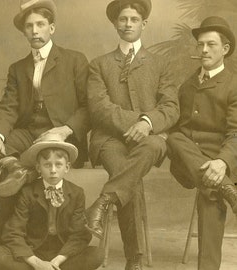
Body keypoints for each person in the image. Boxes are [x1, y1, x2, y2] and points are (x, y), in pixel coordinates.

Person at [0, 1, 89, 269]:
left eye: (40, 24)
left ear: (52, 27)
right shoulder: (17, 68)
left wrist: (66, 128)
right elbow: (8, 108)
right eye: (29, 26)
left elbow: (87, 106)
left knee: (16, 172)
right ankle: (14, 166)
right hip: (28, 133)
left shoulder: (74, 60)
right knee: (4, 148)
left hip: (61, 135)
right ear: (24, 32)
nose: (35, 30)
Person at [85, 0, 179, 269]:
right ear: (115, 23)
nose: (128, 24)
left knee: (151, 150)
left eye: (134, 19)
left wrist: (149, 123)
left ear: (144, 24)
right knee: (130, 180)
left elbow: (171, 107)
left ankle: (104, 200)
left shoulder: (160, 64)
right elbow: (100, 109)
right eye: (123, 19)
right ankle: (134, 261)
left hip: (149, 140)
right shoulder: (99, 64)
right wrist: (139, 121)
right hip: (109, 140)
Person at [167, 16, 237, 270]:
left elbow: (236, 133)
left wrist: (221, 162)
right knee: (173, 137)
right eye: (200, 45)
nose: (204, 50)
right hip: (186, 165)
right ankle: (227, 188)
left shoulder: (234, 85)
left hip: (219, 162)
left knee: (210, 192)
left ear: (225, 49)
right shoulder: (186, 86)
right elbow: (176, 129)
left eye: (211, 44)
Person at [0, 134, 104, 270]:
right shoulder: (27, 192)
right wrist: (37, 263)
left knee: (96, 254)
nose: (53, 170)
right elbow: (13, 232)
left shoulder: (77, 193)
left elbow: (79, 234)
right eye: (47, 165)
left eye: (58, 165)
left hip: (61, 252)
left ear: (67, 167)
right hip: (33, 251)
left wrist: (57, 261)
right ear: (38, 168)